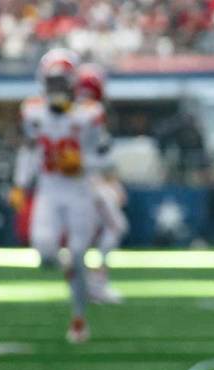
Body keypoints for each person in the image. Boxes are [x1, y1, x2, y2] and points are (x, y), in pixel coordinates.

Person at [14, 49, 106, 343]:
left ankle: (79, 319)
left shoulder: (89, 113)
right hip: (50, 190)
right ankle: (68, 270)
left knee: (78, 255)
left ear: (72, 83)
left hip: (79, 191)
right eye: (51, 82)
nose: (56, 88)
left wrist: (83, 163)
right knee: (43, 250)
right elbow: (29, 149)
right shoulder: (33, 111)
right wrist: (20, 183)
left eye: (60, 82)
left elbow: (105, 155)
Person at [76, 63, 127, 305]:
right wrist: (112, 182)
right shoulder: (90, 113)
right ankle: (94, 283)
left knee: (91, 233)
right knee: (115, 226)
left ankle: (88, 283)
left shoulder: (76, 112)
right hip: (85, 181)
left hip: (83, 181)